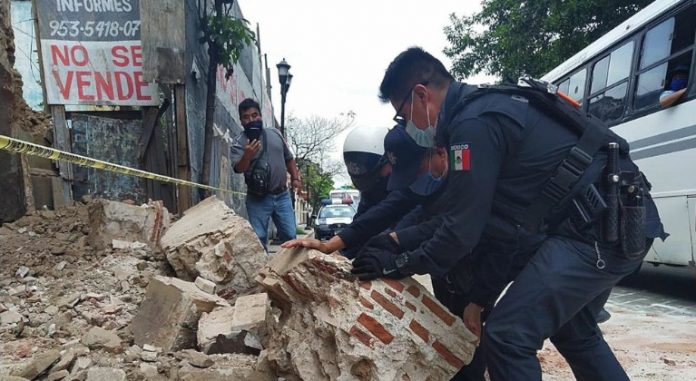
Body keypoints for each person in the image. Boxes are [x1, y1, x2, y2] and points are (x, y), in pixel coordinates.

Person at [358, 47, 666, 380]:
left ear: (421, 95)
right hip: (620, 220)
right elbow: (501, 230)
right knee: (574, 331)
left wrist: (394, 264)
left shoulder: (472, 125)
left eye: (402, 115)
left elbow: (460, 231)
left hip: (596, 230)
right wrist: (478, 300)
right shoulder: (484, 111)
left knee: (507, 337)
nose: (407, 126)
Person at [282, 125, 425, 257]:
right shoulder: (371, 189)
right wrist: (334, 253)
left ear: (390, 159)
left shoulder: (408, 183)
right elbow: (362, 224)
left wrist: (330, 246)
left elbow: (386, 213)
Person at [231, 98, 302, 250]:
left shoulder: (275, 134)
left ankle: (288, 271)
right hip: (257, 198)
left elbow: (289, 158)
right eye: (246, 117)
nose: (251, 120)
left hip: (282, 195)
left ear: (260, 116)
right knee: (258, 238)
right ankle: (264, 272)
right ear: (241, 120)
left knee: (290, 236)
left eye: (254, 115)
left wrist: (295, 178)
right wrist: (247, 155)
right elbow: (238, 168)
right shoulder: (239, 142)